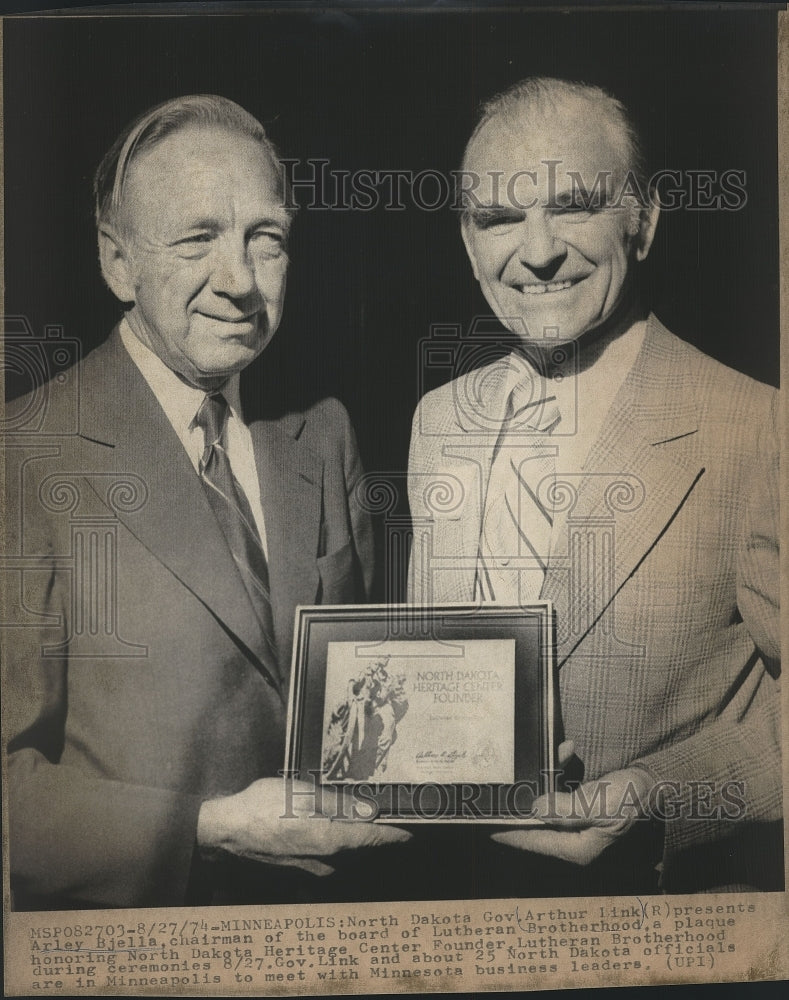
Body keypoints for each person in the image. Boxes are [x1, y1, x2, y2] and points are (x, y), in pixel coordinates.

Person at [4, 94, 408, 910]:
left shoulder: (322, 432)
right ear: (118, 263)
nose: (240, 283)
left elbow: (364, 711)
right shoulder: (24, 456)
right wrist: (204, 827)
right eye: (197, 238)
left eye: (266, 239)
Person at [408, 77, 781, 893]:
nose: (536, 251)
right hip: (458, 916)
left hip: (666, 919)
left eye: (572, 205)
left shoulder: (759, 428)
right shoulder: (440, 422)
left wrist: (655, 794)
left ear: (641, 221)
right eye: (499, 218)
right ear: (469, 247)